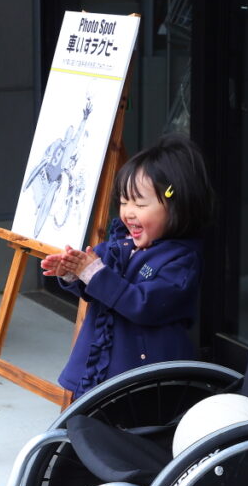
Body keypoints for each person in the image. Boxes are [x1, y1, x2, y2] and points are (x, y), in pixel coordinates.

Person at [41, 134, 212, 394]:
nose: (128, 212)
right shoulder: (120, 244)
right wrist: (73, 273)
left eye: (140, 204)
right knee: (87, 416)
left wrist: (94, 273)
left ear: (177, 206)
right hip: (100, 366)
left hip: (143, 377)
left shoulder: (181, 260)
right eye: (123, 202)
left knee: (131, 418)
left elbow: (145, 304)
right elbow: (95, 287)